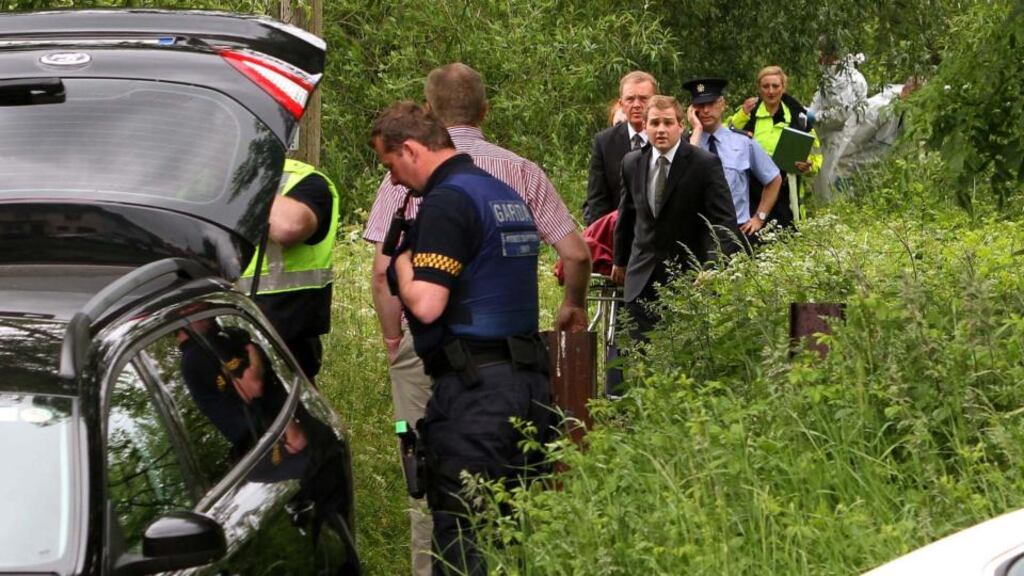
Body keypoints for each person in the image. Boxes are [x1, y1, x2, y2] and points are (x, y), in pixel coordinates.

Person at [363, 62, 589, 576]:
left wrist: (400, 269)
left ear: (414, 144)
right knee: (510, 529)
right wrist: (570, 305)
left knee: (452, 519)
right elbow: (575, 253)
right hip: (526, 383)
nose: (393, 179)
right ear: (483, 110)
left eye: (391, 166)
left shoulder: (443, 198)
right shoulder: (513, 185)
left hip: (468, 387)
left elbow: (419, 299)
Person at [612, 95, 740, 338]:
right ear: (645, 126)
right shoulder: (631, 163)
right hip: (641, 281)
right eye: (655, 123)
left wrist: (713, 266)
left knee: (682, 364)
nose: (661, 130)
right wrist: (619, 261)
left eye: (668, 123)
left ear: (681, 126)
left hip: (689, 281)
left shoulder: (704, 164)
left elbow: (723, 222)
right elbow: (627, 215)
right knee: (639, 361)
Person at [237, 159, 339, 385]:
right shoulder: (192, 181)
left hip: (285, 334)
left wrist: (241, 176)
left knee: (296, 414)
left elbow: (288, 228)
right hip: (214, 329)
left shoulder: (303, 180)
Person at [684, 77, 782, 238]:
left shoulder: (743, 142)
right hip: (696, 231)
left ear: (722, 104)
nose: (706, 110)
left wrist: (759, 217)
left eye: (711, 103)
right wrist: (697, 129)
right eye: (700, 105)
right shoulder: (686, 145)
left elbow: (773, 178)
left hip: (736, 229)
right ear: (692, 109)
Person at [728, 66, 822, 228]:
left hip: (787, 193)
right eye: (766, 86)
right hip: (751, 192)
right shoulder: (748, 114)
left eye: (775, 86)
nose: (771, 91)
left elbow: (816, 155)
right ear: (759, 89)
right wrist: (741, 115)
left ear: (783, 88)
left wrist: (809, 165)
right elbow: (724, 137)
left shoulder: (798, 117)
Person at [583, 70, 658, 225]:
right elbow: (598, 200)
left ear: (655, 101)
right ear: (621, 104)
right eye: (630, 99)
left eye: (643, 98)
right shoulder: (604, 142)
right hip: (617, 234)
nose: (637, 105)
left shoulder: (670, 138)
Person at [809, 50, 868, 199]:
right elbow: (820, 99)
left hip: (841, 138)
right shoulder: (831, 75)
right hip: (826, 137)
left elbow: (842, 113)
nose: (819, 58)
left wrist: (817, 117)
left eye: (822, 53)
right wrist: (808, 112)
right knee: (821, 184)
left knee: (831, 184)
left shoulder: (850, 79)